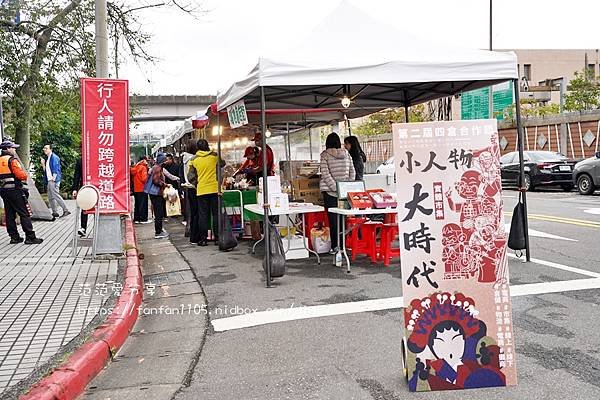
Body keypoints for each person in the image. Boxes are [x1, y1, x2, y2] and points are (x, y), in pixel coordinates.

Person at [0, 140, 43, 244]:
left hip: (3, 191)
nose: (15, 149)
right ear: (7, 149)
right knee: (24, 213)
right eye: (13, 148)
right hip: (15, 190)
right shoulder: (12, 160)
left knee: (9, 214)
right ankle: (30, 237)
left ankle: (14, 237)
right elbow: (21, 175)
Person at [320, 132, 355, 253]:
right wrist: (345, 186)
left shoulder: (325, 155)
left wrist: (334, 187)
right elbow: (352, 172)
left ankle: (336, 246)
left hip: (330, 193)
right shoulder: (347, 154)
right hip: (344, 192)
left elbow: (325, 173)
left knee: (333, 219)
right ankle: (343, 245)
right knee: (342, 218)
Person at [189, 139, 224, 247]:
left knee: (203, 215)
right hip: (215, 189)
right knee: (216, 214)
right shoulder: (214, 156)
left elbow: (190, 176)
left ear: (197, 148)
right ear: (207, 146)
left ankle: (203, 239)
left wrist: (197, 184)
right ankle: (218, 238)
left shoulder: (194, 159)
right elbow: (223, 164)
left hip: (202, 190)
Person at [41, 144, 70, 219]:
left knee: (55, 195)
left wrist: (53, 180)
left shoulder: (54, 157)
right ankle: (54, 212)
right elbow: (46, 171)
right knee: (51, 196)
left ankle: (65, 210)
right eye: (44, 148)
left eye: (46, 148)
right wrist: (43, 164)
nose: (44, 149)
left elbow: (56, 169)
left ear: (51, 149)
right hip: (50, 180)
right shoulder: (48, 158)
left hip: (53, 180)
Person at [180, 142, 199, 243]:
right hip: (194, 187)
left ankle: (190, 232)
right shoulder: (193, 159)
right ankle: (195, 235)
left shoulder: (184, 159)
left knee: (191, 212)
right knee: (196, 213)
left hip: (188, 187)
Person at [147, 153, 169, 239]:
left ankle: (159, 230)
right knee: (158, 212)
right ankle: (158, 232)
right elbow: (156, 181)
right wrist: (165, 185)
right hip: (156, 193)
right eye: (165, 160)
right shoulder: (157, 168)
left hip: (155, 193)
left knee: (158, 212)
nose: (166, 162)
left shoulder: (156, 167)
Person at [130, 156, 151, 224]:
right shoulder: (143, 167)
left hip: (136, 188)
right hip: (142, 188)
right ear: (144, 160)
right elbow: (144, 179)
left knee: (137, 204)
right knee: (143, 204)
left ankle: (137, 218)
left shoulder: (135, 167)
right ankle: (143, 219)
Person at [71, 157, 88, 237]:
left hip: (98, 187)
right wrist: (75, 189)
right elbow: (77, 175)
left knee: (97, 209)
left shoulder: (98, 156)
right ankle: (83, 228)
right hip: (84, 187)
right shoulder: (81, 160)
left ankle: (98, 227)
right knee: (84, 208)